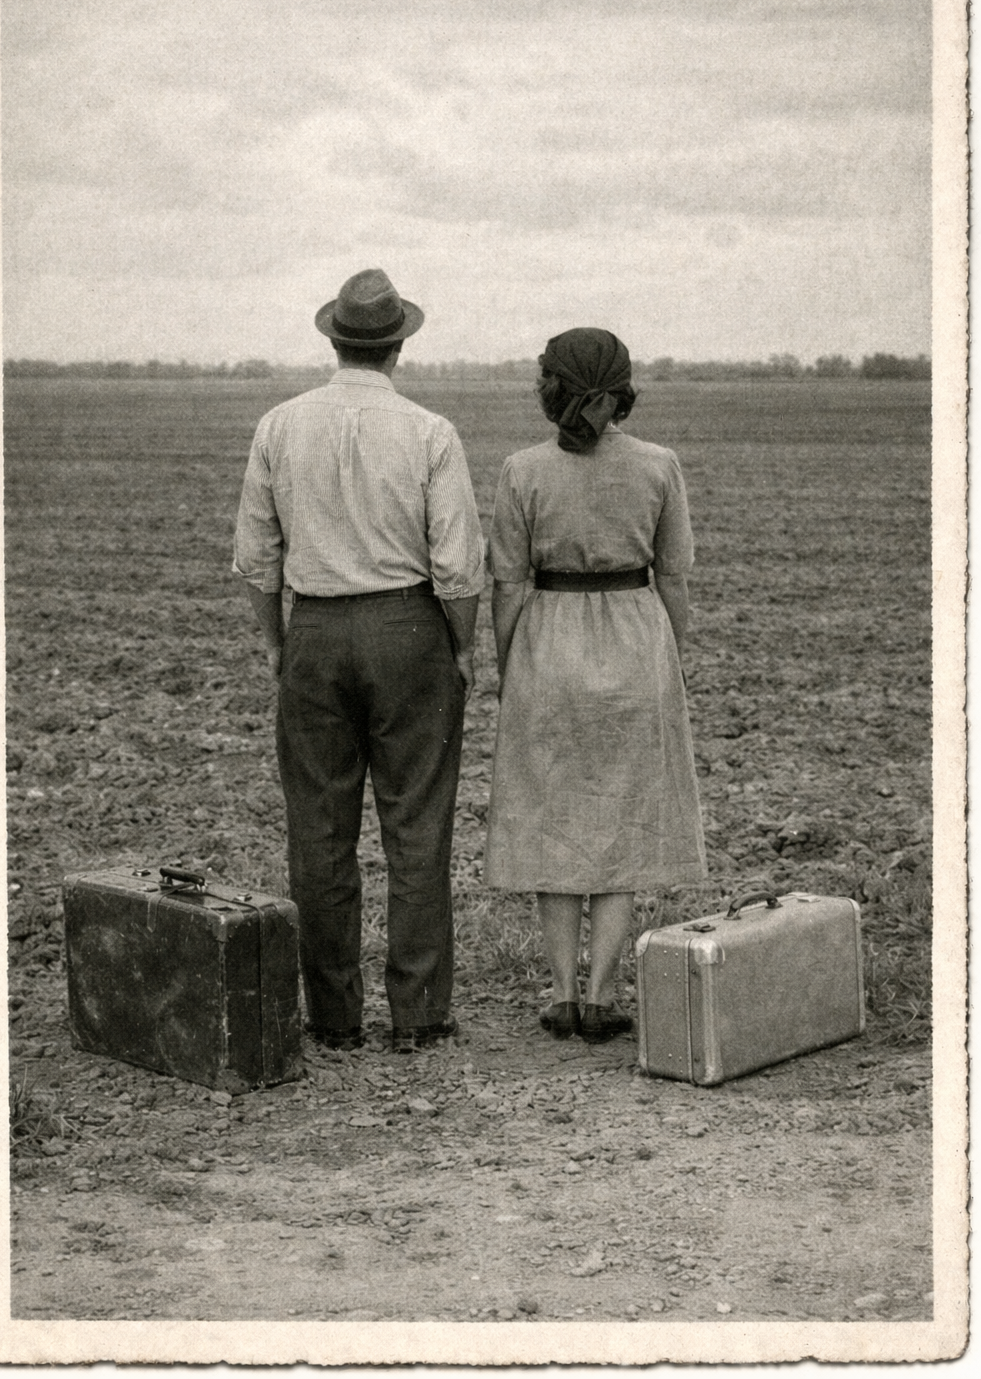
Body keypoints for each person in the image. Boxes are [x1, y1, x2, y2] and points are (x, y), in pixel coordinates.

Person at [234, 268, 484, 1055]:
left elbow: (255, 558)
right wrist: (462, 646)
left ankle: (334, 1018)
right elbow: (458, 567)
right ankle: (420, 1015)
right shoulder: (431, 433)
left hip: (313, 628)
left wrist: (277, 642)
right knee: (418, 827)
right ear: (398, 346)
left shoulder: (278, 426)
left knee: (318, 831)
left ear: (334, 341)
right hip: (410, 631)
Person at [483, 327, 706, 1044]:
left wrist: (510, 665)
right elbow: (674, 576)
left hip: (548, 644)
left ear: (549, 389)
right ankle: (604, 996)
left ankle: (561, 994)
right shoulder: (660, 465)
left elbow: (507, 583)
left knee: (553, 818)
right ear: (623, 389)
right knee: (623, 822)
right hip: (637, 640)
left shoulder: (521, 471)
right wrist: (671, 657)